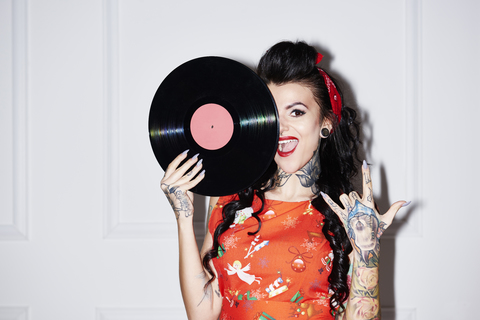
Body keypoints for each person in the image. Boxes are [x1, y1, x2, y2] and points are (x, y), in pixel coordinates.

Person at [160, 41, 408, 320]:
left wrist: (367, 252)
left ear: (326, 122)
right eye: (273, 114)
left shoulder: (348, 216)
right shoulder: (231, 199)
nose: (283, 127)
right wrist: (183, 217)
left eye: (297, 112)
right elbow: (202, 313)